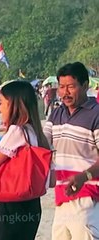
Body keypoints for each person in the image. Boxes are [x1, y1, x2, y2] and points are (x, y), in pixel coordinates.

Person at [0, 80, 54, 240]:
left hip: (13, 205)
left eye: (2, 103)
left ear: (14, 105)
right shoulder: (35, 132)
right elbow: (51, 180)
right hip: (33, 206)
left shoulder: (16, 131)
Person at [43, 62, 99, 240]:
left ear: (85, 85)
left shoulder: (96, 115)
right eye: (61, 87)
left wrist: (85, 176)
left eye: (70, 87)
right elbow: (42, 145)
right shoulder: (56, 114)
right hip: (61, 197)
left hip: (88, 198)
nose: (65, 92)